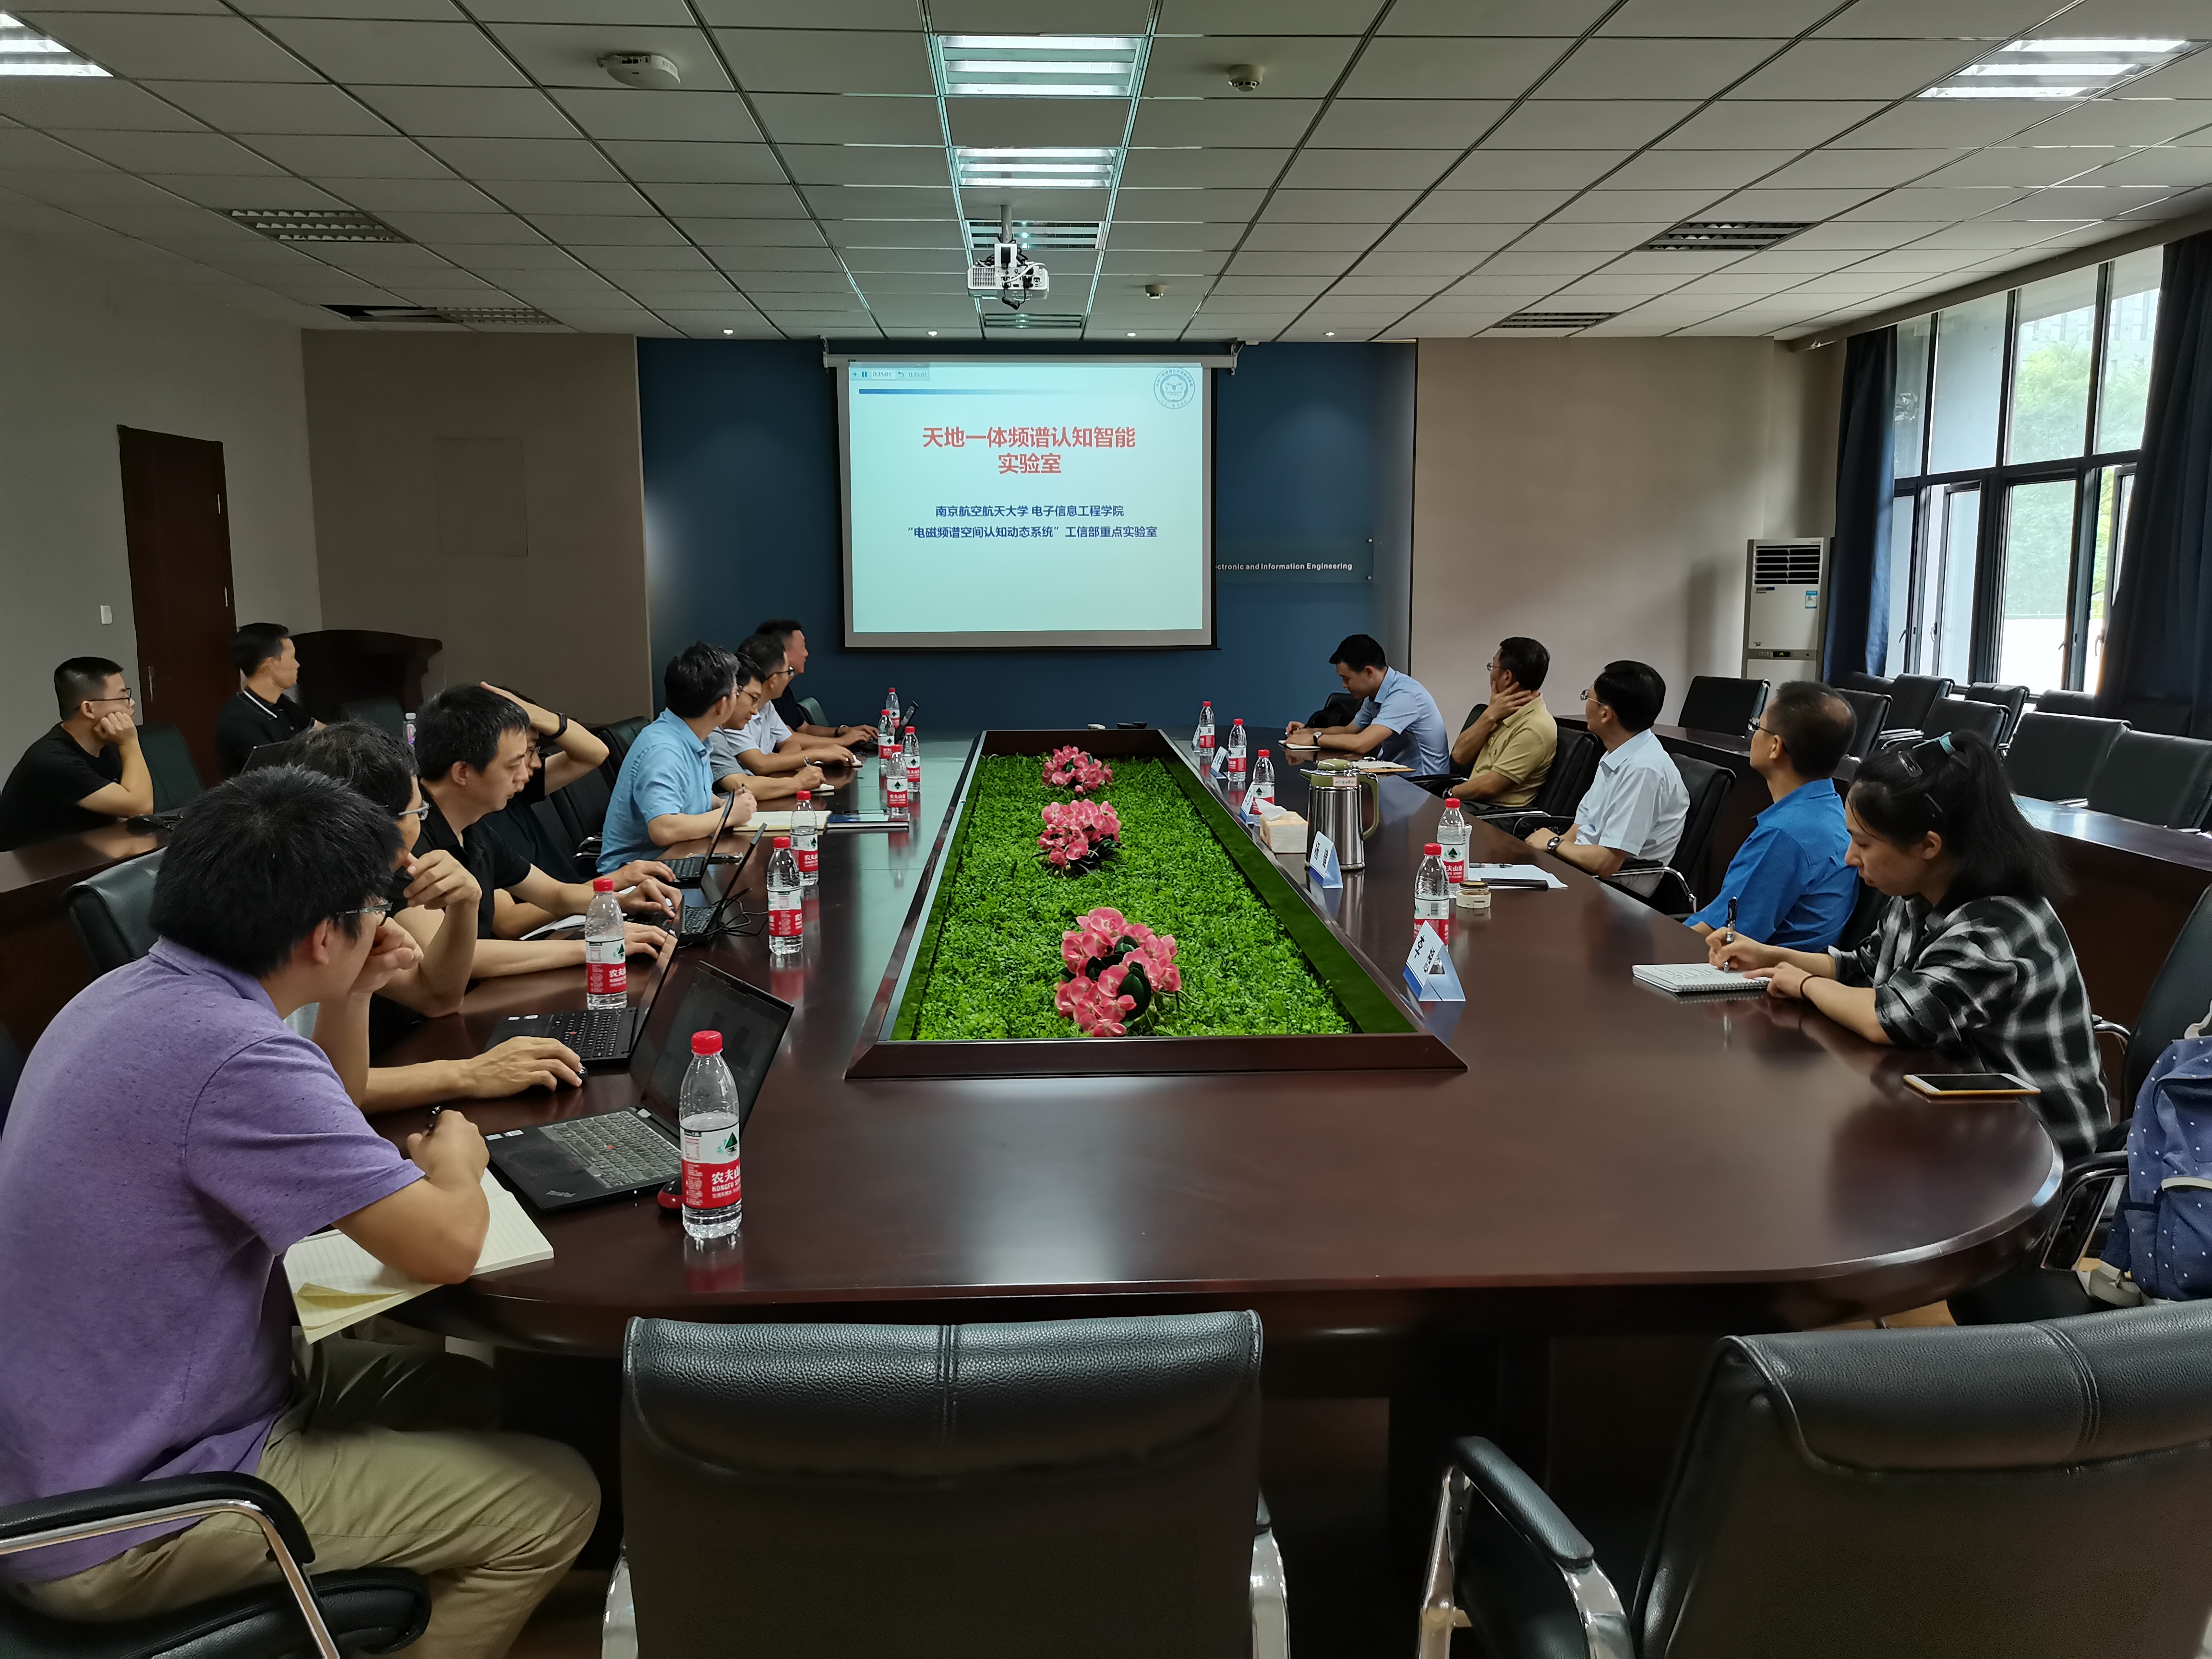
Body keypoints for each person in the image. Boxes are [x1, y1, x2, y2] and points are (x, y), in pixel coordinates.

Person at [0, 767, 599, 1651]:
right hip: (120, 1516)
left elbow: (333, 1102)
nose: (387, 921)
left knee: (466, 1390)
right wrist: (458, 1161)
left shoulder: (129, 992)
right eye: (375, 906)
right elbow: (446, 1245)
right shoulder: (233, 1054)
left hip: (91, 1439)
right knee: (555, 1502)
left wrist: (352, 989)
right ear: (323, 934)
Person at [1711, 731, 2104, 1159]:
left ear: (1928, 846)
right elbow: (1865, 966)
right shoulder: (1919, 893)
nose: (1849, 858)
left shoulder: (1995, 928)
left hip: (2036, 1152)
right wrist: (1770, 955)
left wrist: (1804, 985)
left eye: (1864, 843)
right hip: (1955, 1117)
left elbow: (1891, 1017)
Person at [287, 722, 584, 1109]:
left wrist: (465, 906)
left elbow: (436, 998)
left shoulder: (348, 896)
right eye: (419, 811)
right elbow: (313, 1096)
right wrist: (469, 1074)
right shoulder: (302, 916)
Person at [414, 686, 677, 970]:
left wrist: (620, 902)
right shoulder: (411, 840)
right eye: (514, 764)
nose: (526, 772)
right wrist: (595, 945)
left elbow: (555, 894)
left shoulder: (474, 829)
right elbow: (448, 960)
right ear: (462, 772)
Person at [1685, 682, 1859, 950]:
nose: (1753, 736)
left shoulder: (1786, 835)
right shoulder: (1831, 809)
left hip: (1753, 971)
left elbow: (1719, 935)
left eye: (1757, 727)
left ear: (1775, 746)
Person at [600, 642, 757, 873]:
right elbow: (664, 829)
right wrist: (729, 815)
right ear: (722, 705)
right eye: (737, 692)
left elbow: (687, 794)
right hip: (637, 875)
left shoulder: (689, 736)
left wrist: (721, 803)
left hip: (681, 858)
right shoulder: (664, 750)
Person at [1526, 660, 1687, 877]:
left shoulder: (1644, 770)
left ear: (1605, 714)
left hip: (1619, 886)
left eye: (1588, 698)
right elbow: (1580, 829)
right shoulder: (1616, 753)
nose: (1586, 705)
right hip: (1584, 868)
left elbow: (1607, 863)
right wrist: (1547, 855)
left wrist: (1552, 843)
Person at [0, 657, 153, 850]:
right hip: (37, 865)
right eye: (123, 696)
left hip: (85, 852)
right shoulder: (52, 760)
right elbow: (141, 807)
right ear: (89, 709)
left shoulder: (107, 745)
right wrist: (130, 742)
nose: (131, 703)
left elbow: (129, 816)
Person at [472, 682, 612, 875]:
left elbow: (596, 752)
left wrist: (536, 714)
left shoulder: (517, 786)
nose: (536, 763)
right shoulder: (475, 823)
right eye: (528, 751)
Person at [1285, 634, 1451, 778]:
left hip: (1423, 786)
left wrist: (1315, 739)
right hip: (1394, 777)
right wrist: (1308, 731)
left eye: (1347, 678)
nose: (1344, 685)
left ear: (1369, 672)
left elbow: (1362, 743)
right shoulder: (1376, 694)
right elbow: (1349, 731)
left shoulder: (1405, 695)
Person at [706, 638, 832, 804]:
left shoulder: (712, 731)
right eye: (752, 698)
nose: (755, 711)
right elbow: (742, 785)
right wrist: (798, 782)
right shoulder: (711, 732)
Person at [1448, 637, 1557, 808]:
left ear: (1507, 677)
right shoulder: (1500, 711)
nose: (1491, 674)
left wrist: (1449, 793)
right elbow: (1459, 756)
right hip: (1473, 804)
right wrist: (1490, 715)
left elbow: (1489, 787)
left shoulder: (1535, 727)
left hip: (1495, 814)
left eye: (1493, 667)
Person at [753, 617, 874, 750]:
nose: (807, 654)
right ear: (784, 654)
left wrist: (842, 732)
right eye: (803, 647)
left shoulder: (781, 693)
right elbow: (788, 739)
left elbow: (802, 730)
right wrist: (841, 742)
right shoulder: (768, 696)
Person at [213, 623, 316, 777]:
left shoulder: (281, 703)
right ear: (268, 666)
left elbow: (320, 730)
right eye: (292, 657)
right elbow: (277, 778)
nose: (297, 665)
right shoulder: (239, 720)